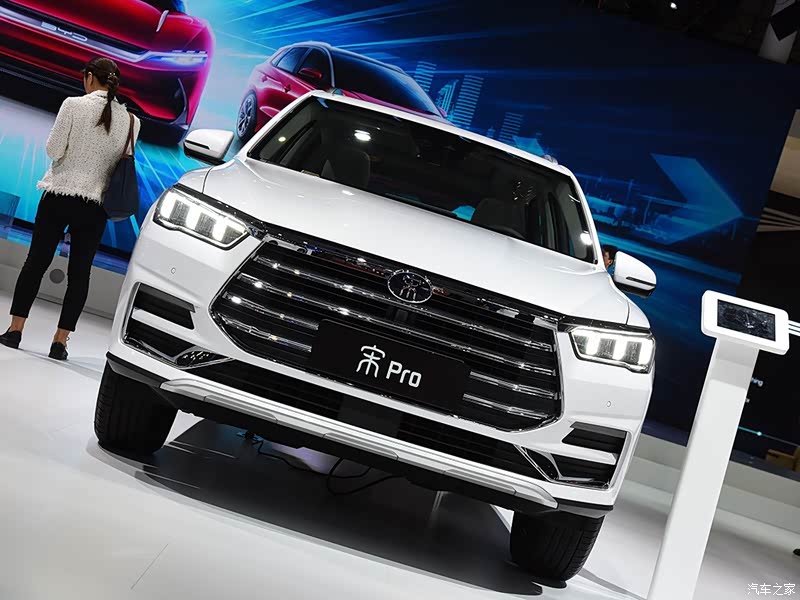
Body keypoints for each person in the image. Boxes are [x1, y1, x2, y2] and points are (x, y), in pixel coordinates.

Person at [0, 57, 140, 361]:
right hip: (96, 207)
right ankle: (60, 343)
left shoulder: (72, 105)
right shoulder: (132, 121)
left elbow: (53, 150)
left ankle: (15, 331)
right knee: (80, 274)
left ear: (89, 77)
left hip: (59, 196)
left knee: (35, 263)